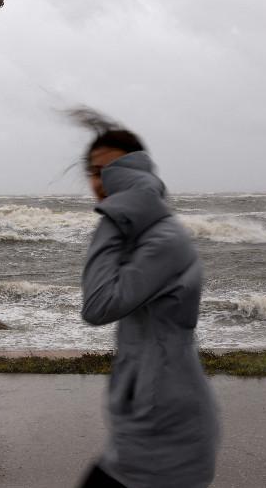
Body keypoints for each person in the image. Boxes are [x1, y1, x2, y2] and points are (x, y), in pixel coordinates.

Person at [77, 127, 219, 488]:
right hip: (143, 421)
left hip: (168, 428)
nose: (101, 183)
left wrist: (113, 215)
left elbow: (98, 305)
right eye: (94, 172)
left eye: (111, 172)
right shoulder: (140, 235)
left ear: (136, 176)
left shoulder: (164, 240)